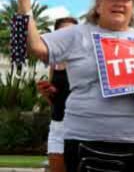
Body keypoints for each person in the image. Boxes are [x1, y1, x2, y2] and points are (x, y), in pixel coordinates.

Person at [12, 0, 134, 172]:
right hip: (85, 138)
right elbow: (36, 46)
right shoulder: (76, 34)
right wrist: (24, 0)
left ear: (132, 7)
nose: (120, 3)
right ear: (98, 5)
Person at [37, 17, 79, 172]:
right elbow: (55, 100)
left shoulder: (83, 62)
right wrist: (47, 93)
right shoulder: (53, 63)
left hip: (80, 127)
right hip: (58, 125)